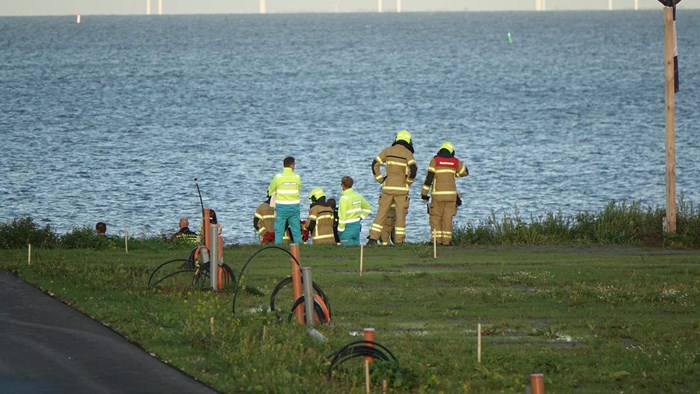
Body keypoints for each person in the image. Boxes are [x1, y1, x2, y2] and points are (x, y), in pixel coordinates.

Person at [367, 130, 417, 245]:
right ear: (408, 141)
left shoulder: (387, 151)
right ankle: (399, 241)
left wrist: (380, 179)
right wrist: (408, 182)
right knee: (400, 216)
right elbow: (413, 169)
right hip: (401, 190)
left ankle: (373, 238)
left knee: (381, 213)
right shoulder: (408, 153)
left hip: (387, 188)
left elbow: (375, 163)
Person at [421, 141, 469, 246]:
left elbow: (429, 178)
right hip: (451, 196)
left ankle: (436, 241)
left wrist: (424, 194)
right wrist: (454, 174)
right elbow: (465, 172)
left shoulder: (435, 161)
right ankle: (446, 242)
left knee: (435, 218)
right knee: (448, 218)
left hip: (437, 195)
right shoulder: (455, 162)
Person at [267, 156, 302, 245]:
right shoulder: (297, 177)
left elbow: (271, 190)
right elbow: (298, 189)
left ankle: (278, 247)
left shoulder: (278, 177)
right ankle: (299, 248)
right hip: (294, 207)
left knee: (279, 230)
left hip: (281, 208)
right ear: (292, 165)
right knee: (296, 230)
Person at [338, 176, 372, 246]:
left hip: (346, 228)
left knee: (346, 248)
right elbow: (368, 208)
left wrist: (340, 230)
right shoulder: (358, 196)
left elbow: (342, 217)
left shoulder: (344, 198)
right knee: (356, 247)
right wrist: (360, 217)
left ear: (343, 186)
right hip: (356, 226)